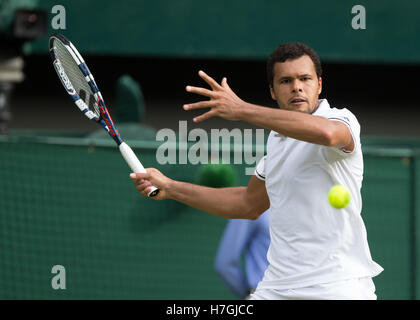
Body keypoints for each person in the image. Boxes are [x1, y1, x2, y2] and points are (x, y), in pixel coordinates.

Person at [130, 42, 384, 300]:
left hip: (337, 287)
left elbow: (327, 134)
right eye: (285, 81)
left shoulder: (341, 119)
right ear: (273, 92)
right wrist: (172, 187)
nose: (296, 86)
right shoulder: (276, 141)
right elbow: (247, 203)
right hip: (277, 287)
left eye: (304, 78)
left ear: (319, 85)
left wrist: (241, 109)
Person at [214, 210, 270, 299]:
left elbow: (225, 263)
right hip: (266, 295)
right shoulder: (255, 206)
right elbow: (226, 264)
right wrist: (249, 294)